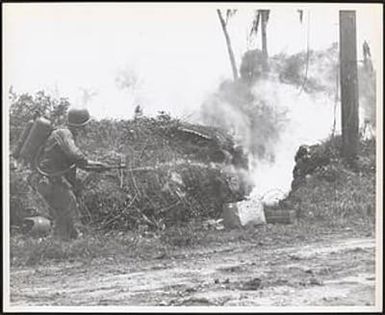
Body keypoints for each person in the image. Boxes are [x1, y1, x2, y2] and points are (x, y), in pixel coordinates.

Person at [36, 108, 106, 240]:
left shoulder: (64, 133)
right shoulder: (64, 133)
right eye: (85, 125)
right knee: (68, 207)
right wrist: (95, 165)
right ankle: (57, 243)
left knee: (66, 210)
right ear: (81, 125)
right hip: (50, 179)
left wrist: (96, 166)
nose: (86, 128)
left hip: (52, 178)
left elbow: (75, 162)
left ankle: (71, 239)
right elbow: (76, 156)